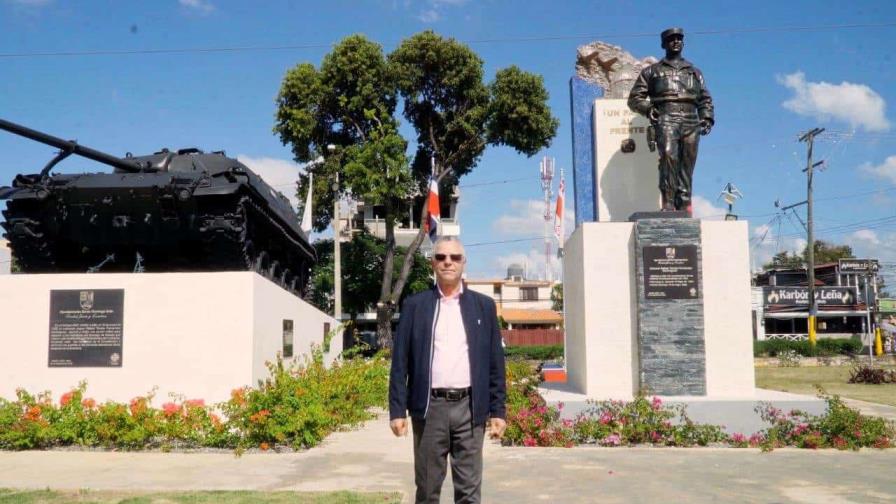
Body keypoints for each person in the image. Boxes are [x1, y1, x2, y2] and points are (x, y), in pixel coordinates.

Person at [389, 236, 506, 504]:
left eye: (454, 257)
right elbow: (400, 363)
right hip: (430, 410)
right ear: (433, 263)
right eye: (441, 257)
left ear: (464, 263)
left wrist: (498, 410)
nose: (448, 262)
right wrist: (397, 410)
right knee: (428, 489)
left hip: (470, 409)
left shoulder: (483, 307)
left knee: (469, 491)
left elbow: (495, 363)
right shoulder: (415, 306)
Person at [628, 27, 715, 212]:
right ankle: (668, 203)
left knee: (687, 162)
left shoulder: (694, 71)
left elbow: (705, 98)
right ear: (663, 44)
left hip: (691, 119)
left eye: (679, 39)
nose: (675, 42)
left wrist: (707, 116)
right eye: (671, 39)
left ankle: (684, 203)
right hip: (666, 117)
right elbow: (635, 98)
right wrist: (647, 108)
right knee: (669, 157)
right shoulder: (651, 71)